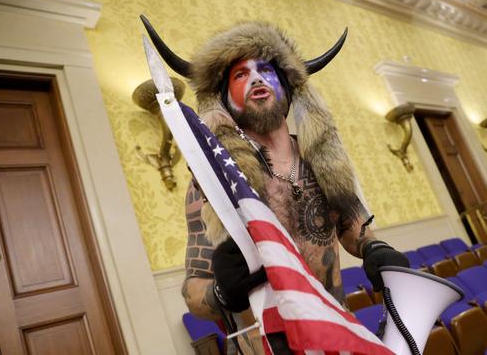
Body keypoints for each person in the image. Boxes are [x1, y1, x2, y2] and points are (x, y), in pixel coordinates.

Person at [142, 18, 409, 353]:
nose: (255, 77)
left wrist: (375, 249)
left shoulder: (324, 161)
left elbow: (354, 230)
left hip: (335, 338)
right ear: (224, 98)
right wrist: (221, 293)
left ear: (288, 85)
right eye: (240, 74)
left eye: (266, 70)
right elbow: (192, 292)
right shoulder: (214, 182)